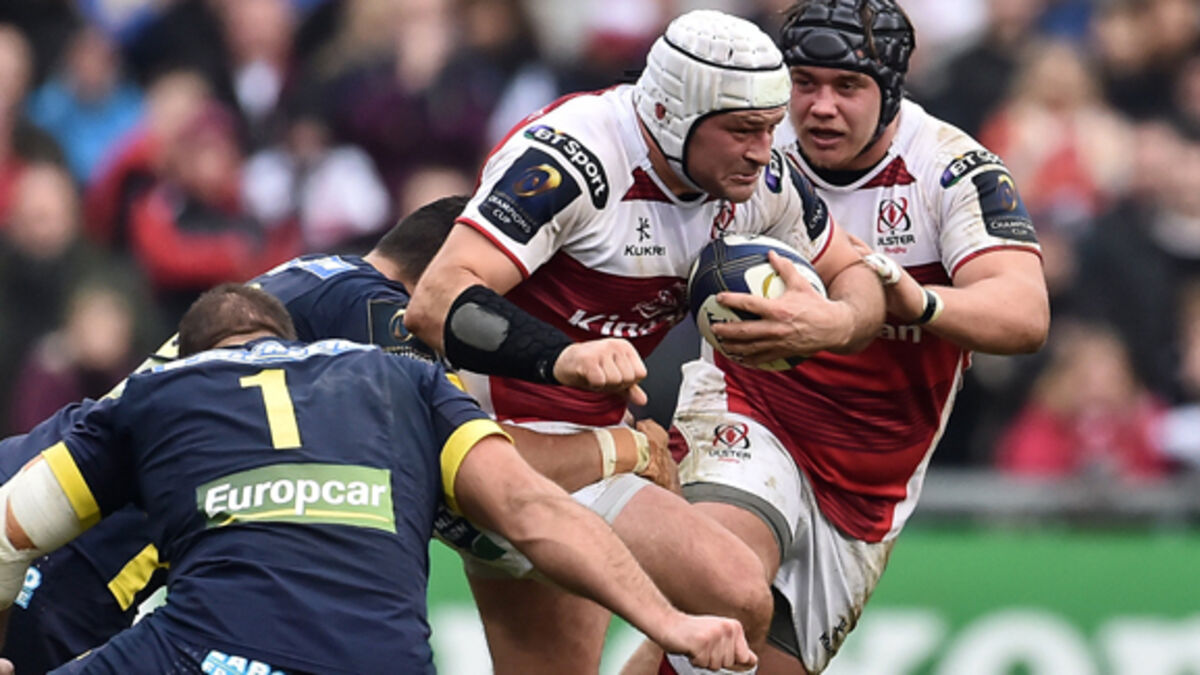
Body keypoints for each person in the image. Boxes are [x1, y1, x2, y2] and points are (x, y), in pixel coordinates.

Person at [0, 195, 677, 672]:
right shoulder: (379, 317)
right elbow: (490, 476)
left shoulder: (314, 282)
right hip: (68, 560)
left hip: (36, 481)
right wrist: (626, 448)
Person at [405, 9, 885, 673]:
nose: (762, 149)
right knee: (738, 597)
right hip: (500, 452)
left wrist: (837, 322)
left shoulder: (759, 181)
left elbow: (855, 271)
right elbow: (435, 301)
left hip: (593, 451)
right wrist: (563, 356)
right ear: (670, 115)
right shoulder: (575, 157)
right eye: (742, 130)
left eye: (771, 128)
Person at [642, 2, 1051, 673]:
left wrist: (914, 298)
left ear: (890, 91)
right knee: (723, 590)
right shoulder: (752, 150)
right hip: (752, 412)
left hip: (867, 483)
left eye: (847, 87)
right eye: (805, 83)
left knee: (729, 664)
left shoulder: (952, 169)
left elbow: (1025, 312)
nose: (821, 107)